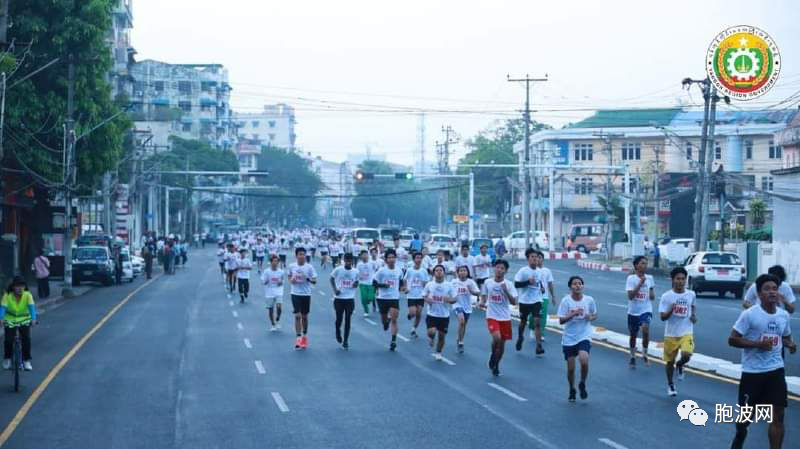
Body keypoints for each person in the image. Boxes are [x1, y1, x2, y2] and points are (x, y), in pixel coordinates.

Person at [728, 274, 796, 449]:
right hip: (753, 373)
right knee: (746, 419)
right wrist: (757, 344)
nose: (772, 292)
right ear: (759, 293)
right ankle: (740, 434)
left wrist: (790, 344)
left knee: (778, 415)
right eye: (767, 289)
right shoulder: (749, 315)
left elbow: (785, 337)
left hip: (776, 370)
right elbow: (733, 339)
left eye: (775, 289)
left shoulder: (783, 316)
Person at [558, 275, 597, 402]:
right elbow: (561, 320)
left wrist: (589, 317)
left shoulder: (589, 300)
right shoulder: (566, 301)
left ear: (583, 286)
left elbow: (594, 315)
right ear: (570, 287)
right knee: (570, 369)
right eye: (574, 284)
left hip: (584, 335)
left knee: (584, 360)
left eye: (580, 283)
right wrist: (573, 314)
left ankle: (582, 383)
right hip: (569, 338)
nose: (577, 286)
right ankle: (571, 389)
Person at [659, 267, 697, 397]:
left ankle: (680, 365)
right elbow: (662, 317)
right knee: (670, 362)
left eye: (683, 279)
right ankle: (670, 384)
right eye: (678, 279)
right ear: (672, 280)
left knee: (687, 354)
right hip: (671, 333)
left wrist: (693, 316)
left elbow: (692, 306)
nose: (681, 282)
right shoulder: (666, 296)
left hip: (686, 331)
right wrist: (671, 309)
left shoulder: (691, 294)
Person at [480, 259, 518, 376]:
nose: (499, 270)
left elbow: (514, 302)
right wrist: (482, 302)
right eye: (498, 267)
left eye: (502, 268)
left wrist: (505, 291)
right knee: (496, 338)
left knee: (501, 345)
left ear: (506, 271)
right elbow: (484, 295)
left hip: (505, 317)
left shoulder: (509, 284)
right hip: (492, 315)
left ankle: (496, 364)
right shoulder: (488, 282)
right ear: (494, 268)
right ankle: (492, 354)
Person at [1, 277, 37, 371]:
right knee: (8, 340)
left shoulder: (28, 295)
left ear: (25, 287)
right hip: (10, 319)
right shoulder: (7, 295)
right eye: (17, 286)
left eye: (22, 286)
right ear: (13, 287)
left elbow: (32, 308)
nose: (20, 288)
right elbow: (3, 308)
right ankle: (7, 358)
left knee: (26, 339)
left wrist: (33, 319)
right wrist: (1, 319)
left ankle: (27, 361)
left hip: (24, 319)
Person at [514, 248, 546, 356]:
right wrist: (527, 282)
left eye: (536, 257)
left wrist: (542, 288)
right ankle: (520, 337)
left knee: (537, 322)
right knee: (523, 322)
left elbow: (540, 283)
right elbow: (516, 284)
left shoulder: (540, 271)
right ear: (528, 258)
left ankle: (538, 346)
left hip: (537, 300)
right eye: (532, 257)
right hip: (524, 301)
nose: (535, 259)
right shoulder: (523, 271)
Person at [626, 255, 655, 368]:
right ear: (636, 265)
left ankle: (645, 353)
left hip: (646, 309)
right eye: (642, 263)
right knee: (633, 335)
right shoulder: (631, 279)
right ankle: (633, 357)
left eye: (646, 263)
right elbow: (630, 296)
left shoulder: (650, 278)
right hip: (633, 311)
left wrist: (651, 293)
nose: (645, 265)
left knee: (645, 329)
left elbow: (652, 296)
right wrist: (640, 283)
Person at [373, 249, 405, 351]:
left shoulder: (399, 270)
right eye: (389, 258)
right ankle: (386, 322)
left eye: (393, 257)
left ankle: (393, 341)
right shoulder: (382, 271)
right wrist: (383, 285)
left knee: (395, 319)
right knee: (384, 320)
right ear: (386, 260)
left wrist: (402, 288)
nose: (391, 259)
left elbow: (401, 281)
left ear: (395, 259)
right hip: (382, 298)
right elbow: (374, 283)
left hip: (394, 298)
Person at [423, 264, 456, 360]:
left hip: (444, 315)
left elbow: (455, 298)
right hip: (432, 314)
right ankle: (431, 338)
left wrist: (449, 300)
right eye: (436, 270)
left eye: (441, 270)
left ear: (444, 272)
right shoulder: (429, 284)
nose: (439, 272)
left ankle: (438, 352)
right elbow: (424, 295)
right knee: (431, 332)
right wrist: (427, 300)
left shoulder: (449, 285)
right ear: (434, 273)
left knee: (442, 336)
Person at [289, 247, 317, 350]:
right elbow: (289, 278)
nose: (302, 256)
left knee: (304, 316)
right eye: (300, 254)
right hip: (295, 293)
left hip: (306, 294)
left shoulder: (309, 267)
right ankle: (298, 338)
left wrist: (308, 278)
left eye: (303, 254)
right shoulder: (292, 266)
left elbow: (314, 281)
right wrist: (292, 280)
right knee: (297, 316)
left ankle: (305, 336)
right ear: (296, 256)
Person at [330, 253, 359, 349]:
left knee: (348, 319)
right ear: (344, 260)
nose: (348, 262)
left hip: (350, 298)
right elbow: (331, 278)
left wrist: (356, 284)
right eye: (347, 260)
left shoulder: (356, 271)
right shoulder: (338, 269)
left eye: (350, 261)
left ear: (352, 261)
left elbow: (357, 281)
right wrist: (335, 290)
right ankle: (337, 331)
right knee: (339, 319)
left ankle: (346, 340)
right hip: (339, 298)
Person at [452, 266, 480, 353]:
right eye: (461, 271)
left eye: (464, 271)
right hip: (457, 304)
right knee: (462, 321)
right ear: (458, 272)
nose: (463, 272)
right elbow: (448, 291)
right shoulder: (454, 282)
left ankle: (460, 339)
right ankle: (461, 343)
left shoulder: (470, 282)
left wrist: (472, 291)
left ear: (467, 272)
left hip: (467, 306)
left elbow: (478, 292)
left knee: (463, 325)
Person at [404, 252, 430, 338]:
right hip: (411, 294)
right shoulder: (409, 270)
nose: (419, 259)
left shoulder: (424, 270)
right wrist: (406, 288)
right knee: (413, 313)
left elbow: (427, 282)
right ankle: (410, 315)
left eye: (420, 258)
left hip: (420, 295)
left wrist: (425, 285)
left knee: (419, 313)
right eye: (417, 258)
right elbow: (404, 279)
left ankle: (414, 329)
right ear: (414, 259)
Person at [261, 255, 284, 331]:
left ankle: (278, 318)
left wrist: (281, 282)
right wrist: (265, 281)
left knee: (279, 307)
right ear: (271, 262)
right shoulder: (267, 271)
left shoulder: (281, 271)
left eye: (277, 261)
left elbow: (282, 280)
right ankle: (273, 324)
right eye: (274, 261)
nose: (276, 263)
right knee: (271, 309)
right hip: (269, 291)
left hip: (278, 291)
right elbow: (263, 281)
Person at [356, 250, 377, 317]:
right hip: (362, 283)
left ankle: (369, 301)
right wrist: (357, 279)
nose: (365, 256)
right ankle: (366, 311)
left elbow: (376, 270)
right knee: (363, 298)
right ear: (361, 256)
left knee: (370, 297)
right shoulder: (359, 264)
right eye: (363, 255)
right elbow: (356, 273)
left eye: (366, 254)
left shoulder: (372, 263)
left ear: (368, 255)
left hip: (371, 283)